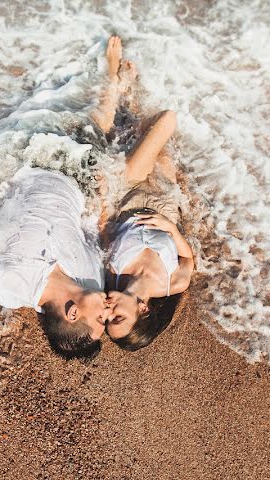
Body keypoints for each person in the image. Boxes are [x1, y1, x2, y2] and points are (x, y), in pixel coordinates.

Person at [93, 37, 196, 350]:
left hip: (127, 194)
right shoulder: (171, 283)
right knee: (147, 137)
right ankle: (129, 95)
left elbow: (103, 233)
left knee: (163, 122)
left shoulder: (112, 277)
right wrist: (170, 230)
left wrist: (103, 195)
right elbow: (188, 260)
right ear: (142, 310)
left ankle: (115, 79)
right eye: (118, 320)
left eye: (107, 322)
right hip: (164, 201)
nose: (109, 315)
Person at [0, 166, 111, 358]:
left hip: (17, 166)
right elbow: (95, 232)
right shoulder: (94, 282)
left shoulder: (9, 286)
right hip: (74, 168)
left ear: (73, 314)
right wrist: (101, 194)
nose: (108, 312)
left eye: (100, 318)